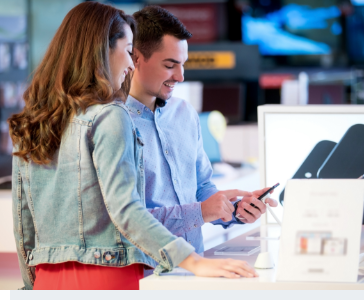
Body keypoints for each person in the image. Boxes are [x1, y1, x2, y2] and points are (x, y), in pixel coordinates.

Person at [8, 2, 258, 290]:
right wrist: (194, 260)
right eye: (128, 51)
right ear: (104, 51)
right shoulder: (112, 115)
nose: (129, 64)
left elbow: (24, 222)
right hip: (116, 274)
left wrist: (31, 287)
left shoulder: (34, 120)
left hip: (49, 280)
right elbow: (126, 212)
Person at [127, 4, 278, 257]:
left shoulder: (184, 113)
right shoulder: (111, 121)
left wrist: (234, 209)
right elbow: (127, 220)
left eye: (183, 65)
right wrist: (202, 211)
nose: (180, 76)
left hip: (193, 266)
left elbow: (201, 186)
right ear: (135, 58)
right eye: (170, 65)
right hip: (143, 274)